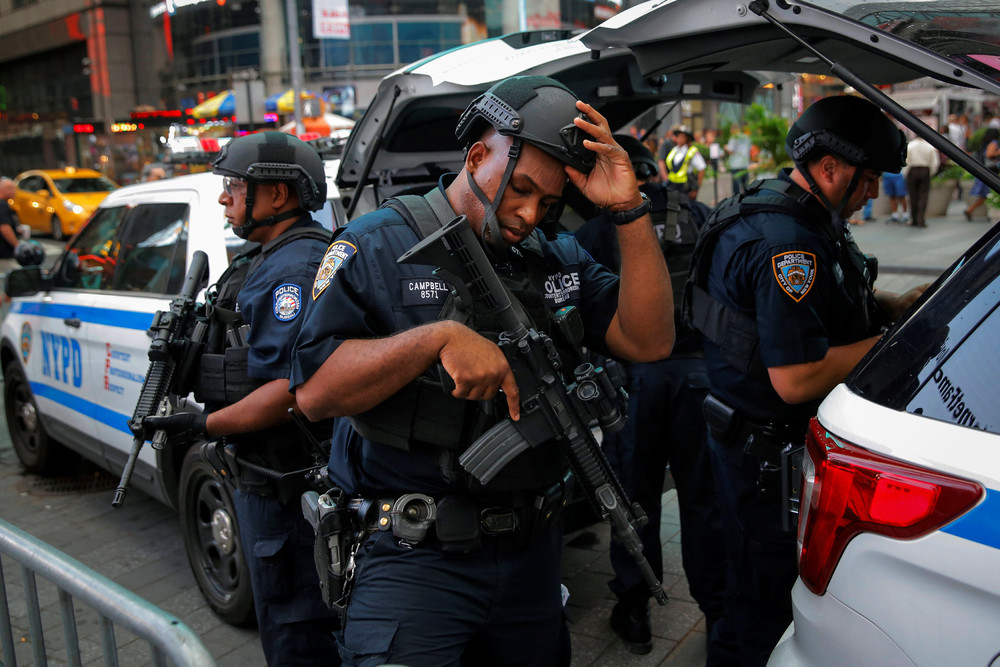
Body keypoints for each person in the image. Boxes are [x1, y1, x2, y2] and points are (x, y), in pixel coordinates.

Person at [290, 75, 674, 667]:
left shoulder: (554, 255)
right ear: (477, 154)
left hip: (532, 558)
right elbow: (314, 393)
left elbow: (648, 340)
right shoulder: (378, 243)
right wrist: (434, 339)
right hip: (417, 561)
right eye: (519, 189)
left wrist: (629, 211)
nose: (528, 214)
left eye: (548, 204)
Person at [685, 95, 927, 667]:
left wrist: (893, 307)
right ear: (829, 168)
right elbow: (796, 378)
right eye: (868, 180)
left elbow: (823, 313)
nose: (872, 193)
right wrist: (893, 344)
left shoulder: (797, 212)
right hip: (764, 459)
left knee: (757, 592)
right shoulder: (788, 244)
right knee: (761, 607)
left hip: (754, 442)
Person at [142, 132, 340, 666]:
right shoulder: (267, 258)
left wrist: (201, 426)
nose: (226, 197)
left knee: (297, 628)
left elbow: (288, 392)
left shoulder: (293, 270)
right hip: (267, 477)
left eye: (236, 185)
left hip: (289, 483)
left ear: (278, 195)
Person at [575, 135, 727, 656]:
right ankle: (716, 607)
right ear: (654, 171)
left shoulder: (597, 231)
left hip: (635, 383)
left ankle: (635, 610)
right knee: (703, 499)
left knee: (632, 499)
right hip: (700, 377)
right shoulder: (701, 213)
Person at [904, 132, 940, 228]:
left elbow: (906, 161)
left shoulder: (911, 145)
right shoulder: (930, 147)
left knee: (912, 195)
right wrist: (931, 172)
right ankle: (921, 219)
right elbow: (935, 163)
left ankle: (913, 219)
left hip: (913, 170)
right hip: (925, 170)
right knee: (923, 196)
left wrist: (906, 173)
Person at [965, 127, 1000, 221]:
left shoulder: (986, 143)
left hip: (986, 170)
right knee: (986, 194)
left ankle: (970, 210)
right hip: (990, 171)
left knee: (985, 194)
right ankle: (970, 210)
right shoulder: (994, 142)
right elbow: (989, 154)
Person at [663, 125, 706, 200]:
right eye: (679, 136)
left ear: (687, 139)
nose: (680, 139)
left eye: (683, 136)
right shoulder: (674, 150)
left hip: (686, 187)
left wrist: (696, 189)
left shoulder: (692, 151)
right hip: (672, 186)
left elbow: (701, 169)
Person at [0, 177, 23, 284]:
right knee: (19, 279)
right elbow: (4, 228)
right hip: (4, 254)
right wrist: (17, 246)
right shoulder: (2, 205)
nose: (14, 192)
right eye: (11, 188)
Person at [726, 126, 753, 195]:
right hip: (744, 164)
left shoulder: (734, 138)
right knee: (745, 185)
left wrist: (725, 147)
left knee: (736, 188)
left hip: (735, 165)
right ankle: (746, 199)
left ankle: (736, 202)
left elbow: (730, 150)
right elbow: (750, 149)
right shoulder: (746, 137)